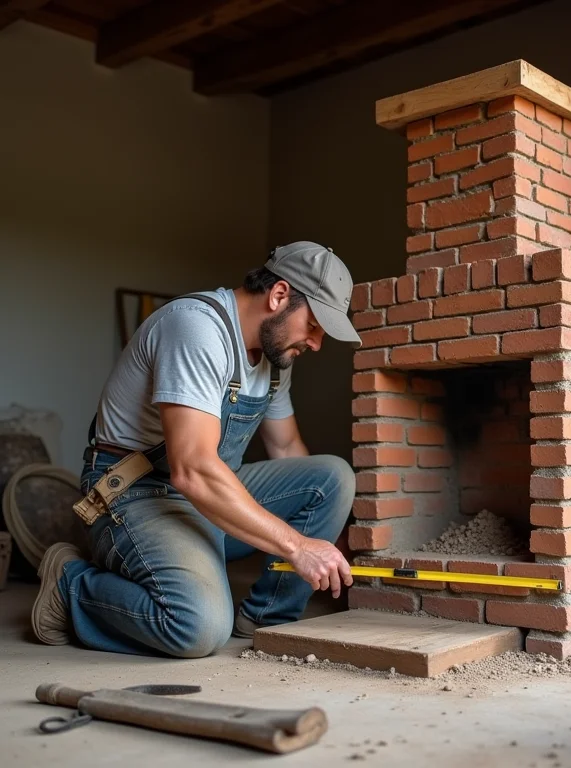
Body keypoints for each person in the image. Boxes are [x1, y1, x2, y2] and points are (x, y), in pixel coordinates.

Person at [31, 242, 361, 658]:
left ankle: (267, 620)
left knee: (331, 477)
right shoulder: (197, 328)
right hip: (138, 494)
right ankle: (72, 584)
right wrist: (297, 546)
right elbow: (192, 469)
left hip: (207, 493)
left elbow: (288, 447)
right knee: (196, 627)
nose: (316, 344)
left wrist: (325, 539)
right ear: (279, 296)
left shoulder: (277, 358)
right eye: (313, 326)